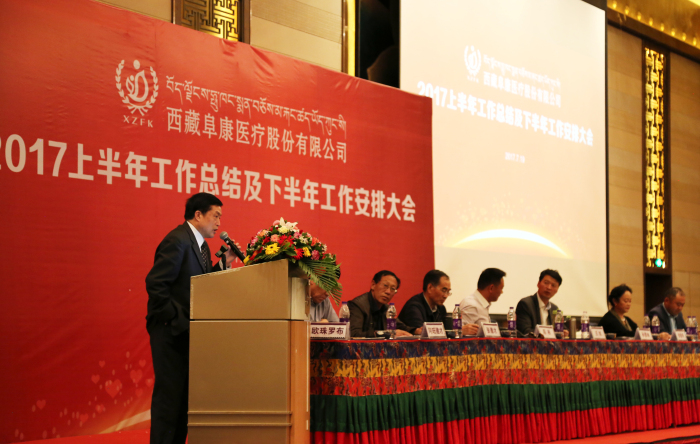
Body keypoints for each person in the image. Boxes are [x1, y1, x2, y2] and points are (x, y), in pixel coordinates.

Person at [145, 193, 238, 444]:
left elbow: (202, 285)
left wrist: (225, 263)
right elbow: (156, 285)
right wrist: (176, 320)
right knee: (169, 400)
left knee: (183, 400)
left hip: (187, 333)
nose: (219, 223)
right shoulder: (177, 241)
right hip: (170, 332)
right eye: (215, 216)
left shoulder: (201, 246)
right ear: (198, 215)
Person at [348, 270, 413, 338]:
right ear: (373, 285)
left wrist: (417, 331)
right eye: (385, 286)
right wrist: (384, 333)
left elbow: (402, 327)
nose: (388, 292)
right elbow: (354, 334)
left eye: (392, 289)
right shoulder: (358, 305)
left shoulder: (387, 308)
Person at [515, 269, 567, 337]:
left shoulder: (554, 308)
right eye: (546, 283)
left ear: (557, 290)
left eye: (553, 285)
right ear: (538, 284)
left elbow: (562, 329)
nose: (549, 287)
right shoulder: (525, 304)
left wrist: (564, 331)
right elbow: (526, 331)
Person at [398, 270, 451, 335]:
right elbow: (421, 334)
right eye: (443, 290)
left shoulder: (441, 308)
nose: (446, 296)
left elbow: (445, 333)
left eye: (448, 292)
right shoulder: (414, 307)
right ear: (430, 288)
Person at [460, 268, 506, 333]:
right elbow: (461, 334)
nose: (501, 292)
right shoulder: (471, 305)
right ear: (491, 288)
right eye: (501, 288)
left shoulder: (482, 304)